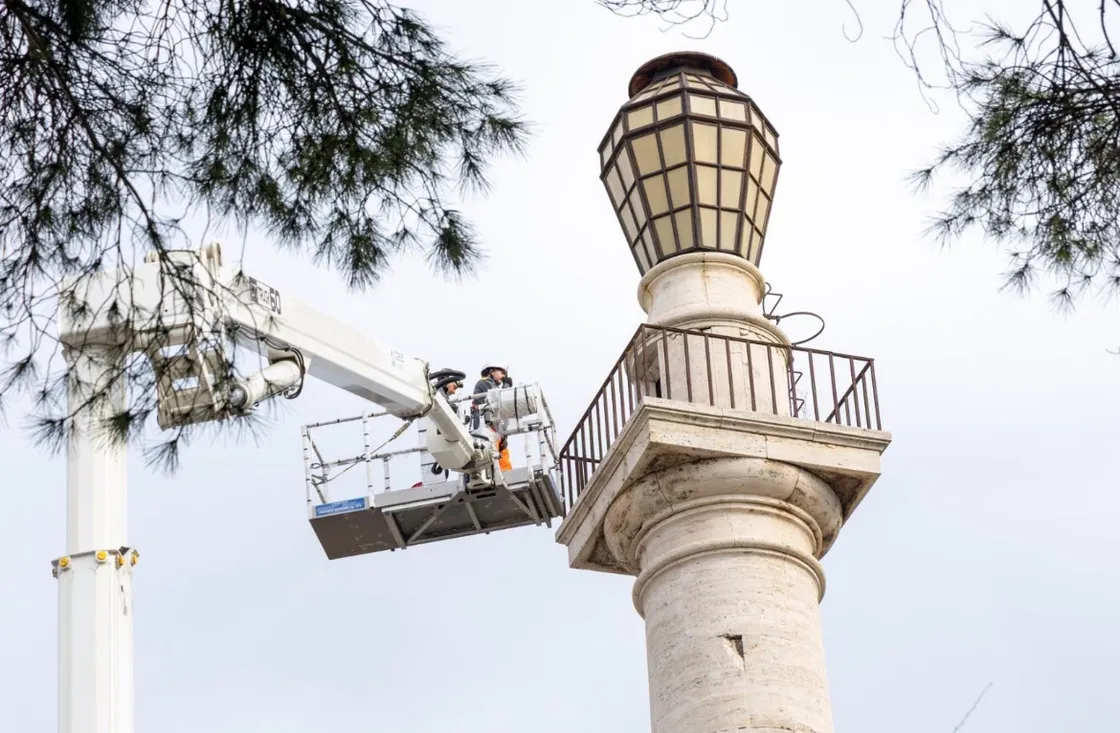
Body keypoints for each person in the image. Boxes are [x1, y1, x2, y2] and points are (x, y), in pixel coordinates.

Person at [473, 361, 513, 472]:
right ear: (491, 371)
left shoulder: (495, 387)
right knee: (491, 464)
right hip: (488, 433)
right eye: (501, 372)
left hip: (497, 433)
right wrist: (507, 386)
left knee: (505, 468)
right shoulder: (484, 383)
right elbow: (500, 401)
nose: (504, 376)